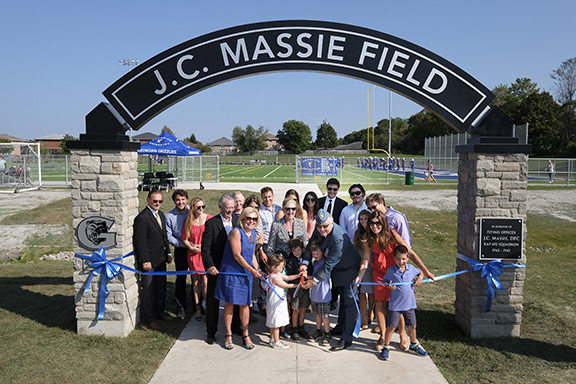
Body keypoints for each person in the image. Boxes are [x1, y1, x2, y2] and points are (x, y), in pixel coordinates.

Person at [356, 210, 434, 352]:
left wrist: (426, 271)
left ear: (383, 223)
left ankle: (403, 333)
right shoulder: (368, 237)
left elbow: (410, 253)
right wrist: (360, 275)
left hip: (395, 273)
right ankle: (383, 336)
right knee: (379, 303)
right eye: (372, 223)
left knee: (398, 304)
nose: (375, 226)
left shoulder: (392, 234)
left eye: (378, 223)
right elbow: (366, 258)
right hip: (379, 273)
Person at [301, 209, 361, 351]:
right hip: (337, 270)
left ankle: (347, 338)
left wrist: (313, 282)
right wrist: (304, 263)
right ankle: (340, 327)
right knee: (342, 300)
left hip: (349, 270)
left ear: (332, 222)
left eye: (325, 226)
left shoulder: (338, 237)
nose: (322, 229)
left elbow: (329, 264)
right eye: (319, 226)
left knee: (349, 303)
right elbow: (310, 246)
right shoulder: (320, 229)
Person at [214, 207, 262, 350]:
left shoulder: (253, 234)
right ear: (243, 218)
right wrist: (251, 270)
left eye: (254, 219)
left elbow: (252, 255)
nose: (251, 221)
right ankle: (228, 334)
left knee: (245, 305)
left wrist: (258, 270)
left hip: (246, 274)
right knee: (229, 304)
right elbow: (237, 255)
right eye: (249, 218)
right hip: (233, 273)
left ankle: (246, 334)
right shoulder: (236, 232)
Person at [201, 194, 240, 345]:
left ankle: (235, 325)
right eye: (227, 208)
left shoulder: (238, 221)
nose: (230, 211)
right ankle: (211, 332)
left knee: (233, 299)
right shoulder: (211, 223)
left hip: (233, 268)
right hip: (216, 269)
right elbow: (205, 249)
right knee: (212, 300)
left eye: (232, 207)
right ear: (220, 207)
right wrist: (210, 266)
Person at [133, 190, 173, 330]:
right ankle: (150, 318)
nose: (157, 204)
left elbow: (164, 237)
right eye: (155, 201)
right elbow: (141, 242)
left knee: (160, 288)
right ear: (148, 200)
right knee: (149, 290)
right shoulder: (142, 218)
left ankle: (160, 312)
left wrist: (168, 252)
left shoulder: (160, 215)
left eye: (160, 201)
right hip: (149, 263)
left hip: (161, 260)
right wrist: (145, 260)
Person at [380, 245, 428, 360]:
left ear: (407, 258)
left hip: (409, 304)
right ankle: (386, 347)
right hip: (395, 306)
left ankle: (414, 345)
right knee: (391, 327)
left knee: (412, 325)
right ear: (394, 258)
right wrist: (389, 286)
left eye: (403, 259)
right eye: (398, 259)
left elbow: (420, 273)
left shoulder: (411, 269)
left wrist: (420, 277)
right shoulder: (391, 271)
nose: (401, 262)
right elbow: (385, 281)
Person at [181, 197, 212, 321]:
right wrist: (191, 247)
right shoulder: (189, 221)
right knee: (196, 282)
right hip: (193, 254)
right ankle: (198, 308)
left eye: (202, 207)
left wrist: (203, 246)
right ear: (193, 208)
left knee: (205, 281)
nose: (201, 209)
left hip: (204, 254)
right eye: (198, 207)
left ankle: (208, 307)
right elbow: (184, 237)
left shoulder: (208, 218)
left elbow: (211, 236)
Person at [265, 253, 300, 349]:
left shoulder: (276, 274)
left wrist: (298, 275)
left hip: (276, 301)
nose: (281, 268)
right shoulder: (274, 278)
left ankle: (272, 339)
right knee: (276, 322)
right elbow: (287, 285)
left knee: (273, 322)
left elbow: (288, 278)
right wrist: (297, 285)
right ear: (273, 267)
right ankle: (276, 342)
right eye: (280, 267)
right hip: (275, 302)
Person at [164, 189, 190, 319]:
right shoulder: (169, 216)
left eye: (183, 199)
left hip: (194, 249)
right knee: (181, 279)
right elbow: (169, 236)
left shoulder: (193, 211)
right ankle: (181, 306)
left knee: (199, 277)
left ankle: (200, 304)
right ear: (174, 201)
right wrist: (182, 244)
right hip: (181, 250)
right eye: (178, 200)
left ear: (187, 200)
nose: (181, 202)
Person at [285, 238, 311, 341]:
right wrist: (298, 275)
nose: (297, 252)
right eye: (294, 250)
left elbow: (311, 270)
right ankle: (294, 328)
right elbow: (289, 274)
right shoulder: (291, 261)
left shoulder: (306, 260)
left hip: (305, 288)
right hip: (295, 288)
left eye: (299, 250)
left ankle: (301, 327)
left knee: (303, 309)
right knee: (295, 309)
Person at [308, 239, 332, 346]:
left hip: (323, 295)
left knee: (324, 316)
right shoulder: (315, 262)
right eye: (313, 253)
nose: (315, 255)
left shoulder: (325, 263)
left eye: (318, 253)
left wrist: (306, 277)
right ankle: (318, 331)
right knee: (317, 315)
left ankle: (327, 334)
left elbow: (318, 277)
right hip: (315, 294)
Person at [353, 209, 375, 330]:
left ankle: (371, 310)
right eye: (361, 219)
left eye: (365, 219)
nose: (363, 222)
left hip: (372, 263)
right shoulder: (357, 233)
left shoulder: (373, 232)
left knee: (372, 293)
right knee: (362, 292)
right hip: (361, 263)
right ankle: (363, 316)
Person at [259, 186, 282, 253]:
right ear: (262, 197)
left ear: (273, 196)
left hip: (278, 243)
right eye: (265, 197)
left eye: (269, 196)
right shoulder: (260, 212)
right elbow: (259, 231)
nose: (267, 199)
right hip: (266, 244)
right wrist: (261, 250)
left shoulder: (279, 209)